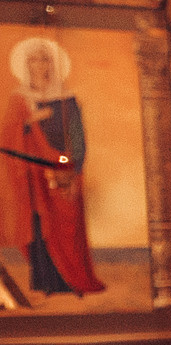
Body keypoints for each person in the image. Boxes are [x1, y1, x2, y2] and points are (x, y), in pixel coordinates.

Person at [1, 35, 104, 298]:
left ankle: (71, 281)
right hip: (32, 175)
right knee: (39, 227)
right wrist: (30, 120)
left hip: (62, 169)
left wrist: (70, 166)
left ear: (52, 65)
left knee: (67, 229)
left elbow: (77, 138)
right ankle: (47, 284)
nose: (40, 65)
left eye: (45, 60)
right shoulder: (19, 100)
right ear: (27, 66)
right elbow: (7, 138)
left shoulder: (67, 100)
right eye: (34, 60)